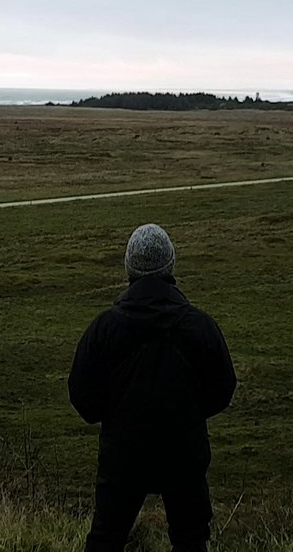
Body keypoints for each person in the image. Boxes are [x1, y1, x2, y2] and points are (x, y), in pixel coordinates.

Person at [69, 223, 237, 552]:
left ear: (129, 268)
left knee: (105, 540)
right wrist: (189, 414)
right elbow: (223, 389)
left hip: (122, 456)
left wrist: (116, 417)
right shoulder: (199, 326)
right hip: (185, 454)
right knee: (191, 541)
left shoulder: (105, 328)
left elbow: (82, 396)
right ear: (170, 265)